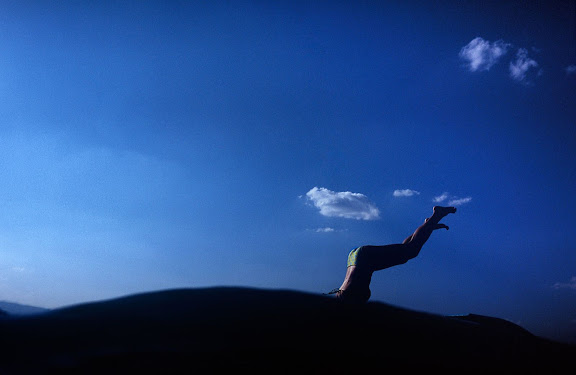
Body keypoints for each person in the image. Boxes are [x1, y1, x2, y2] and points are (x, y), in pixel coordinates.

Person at [328, 206, 457, 304]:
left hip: (362, 258)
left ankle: (436, 216)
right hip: (356, 258)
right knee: (405, 253)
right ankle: (427, 225)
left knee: (410, 251)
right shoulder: (343, 298)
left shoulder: (346, 303)